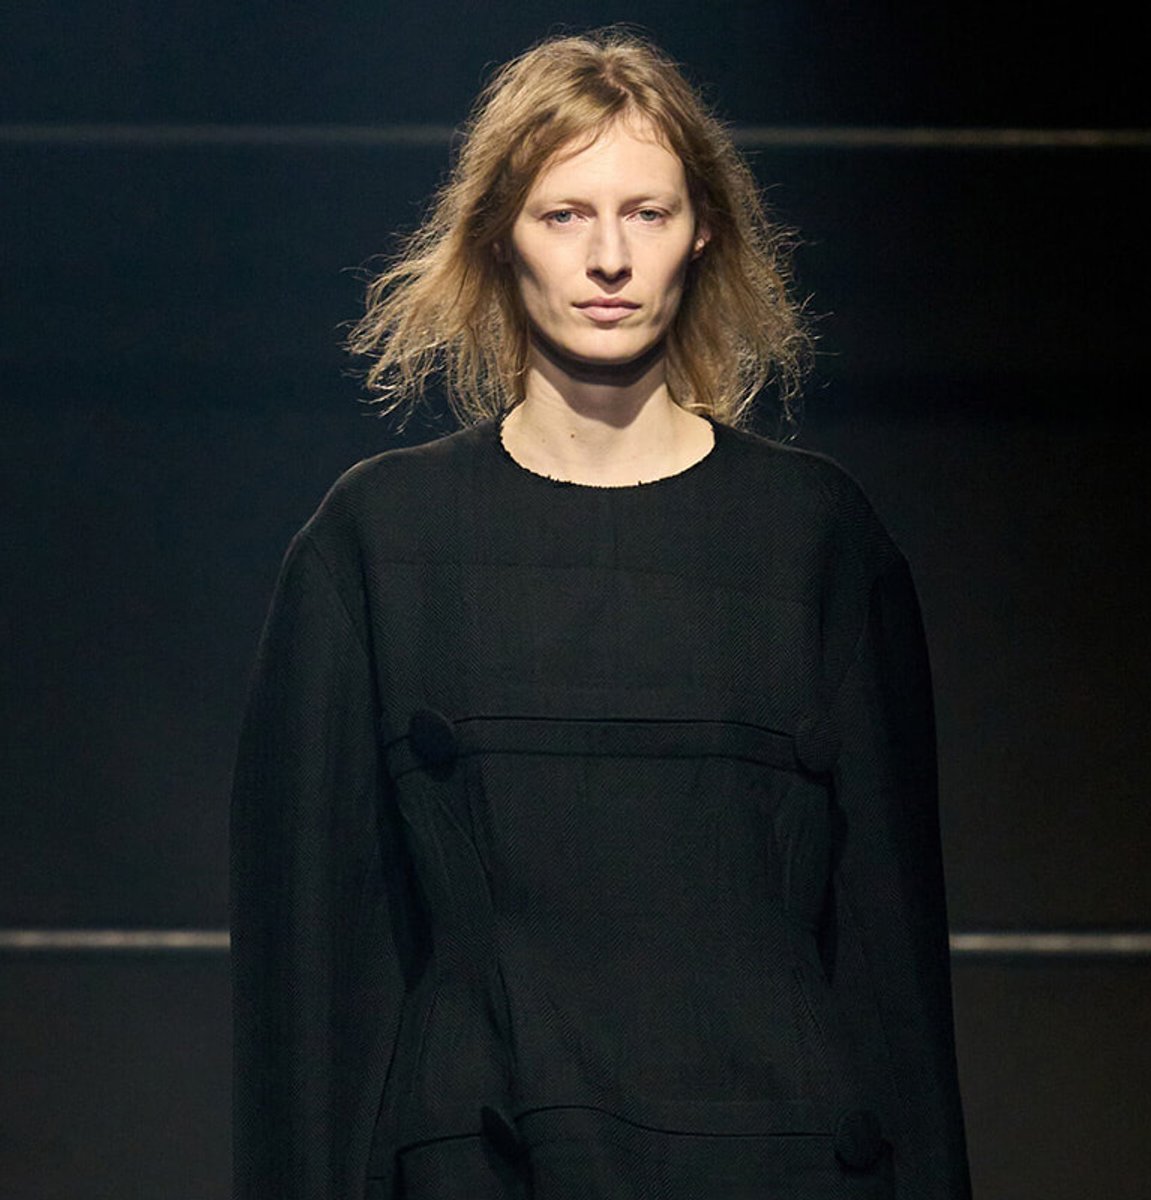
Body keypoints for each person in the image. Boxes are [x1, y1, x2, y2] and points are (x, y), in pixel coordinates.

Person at [230, 28, 972, 1200]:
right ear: (496, 239)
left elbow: (894, 968)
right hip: (488, 1154)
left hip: (779, 1159)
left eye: (649, 213)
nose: (611, 258)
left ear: (704, 232)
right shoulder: (380, 544)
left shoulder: (816, 537)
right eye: (565, 214)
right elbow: (311, 975)